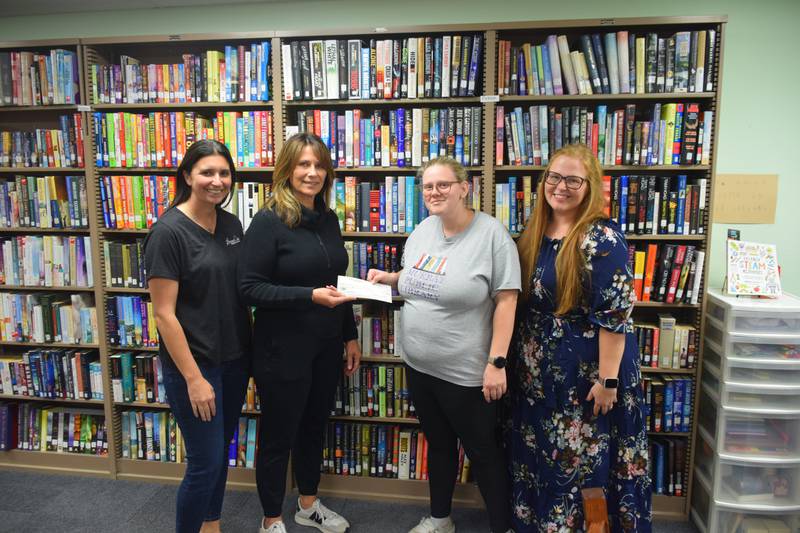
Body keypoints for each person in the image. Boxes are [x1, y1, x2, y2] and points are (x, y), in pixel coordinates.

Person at [367, 157, 520, 533]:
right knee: (438, 445)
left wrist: (497, 362)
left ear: (464, 188)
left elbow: (507, 299)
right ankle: (440, 518)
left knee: (483, 452)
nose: (434, 192)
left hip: (466, 372)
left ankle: (501, 527)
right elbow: (418, 275)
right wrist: (389, 278)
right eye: (428, 186)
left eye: (443, 185)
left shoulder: (491, 236)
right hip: (419, 366)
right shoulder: (422, 230)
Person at [509, 143, 652, 532]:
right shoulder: (536, 230)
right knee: (545, 456)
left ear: (590, 186)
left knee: (580, 461)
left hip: (586, 376)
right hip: (539, 377)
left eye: (574, 179)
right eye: (554, 177)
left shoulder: (601, 239)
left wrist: (608, 382)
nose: (561, 186)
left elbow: (614, 319)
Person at [238, 132, 361, 533]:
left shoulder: (327, 218)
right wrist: (309, 296)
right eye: (304, 164)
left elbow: (336, 281)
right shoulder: (268, 220)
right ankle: (271, 518)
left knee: (313, 428)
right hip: (281, 349)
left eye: (319, 165)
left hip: (325, 345)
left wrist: (350, 335)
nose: (312, 172)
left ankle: (308, 505)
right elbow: (250, 288)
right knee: (278, 436)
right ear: (287, 169)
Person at [144, 139, 252, 533]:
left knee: (219, 455)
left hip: (235, 360)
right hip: (196, 367)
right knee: (204, 463)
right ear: (187, 175)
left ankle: (212, 526)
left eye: (224, 173)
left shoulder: (231, 224)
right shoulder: (168, 232)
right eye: (207, 172)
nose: (217, 180)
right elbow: (164, 315)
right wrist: (193, 379)